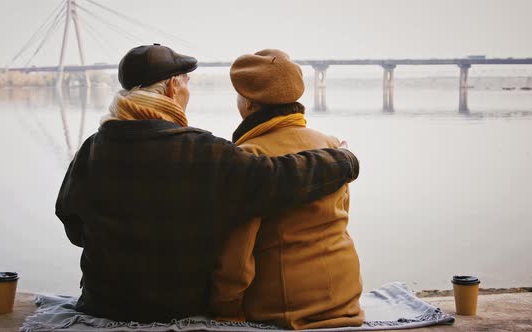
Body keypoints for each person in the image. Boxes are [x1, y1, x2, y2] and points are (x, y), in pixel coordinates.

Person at [56, 44, 359, 323]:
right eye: (187, 82)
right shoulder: (200, 151)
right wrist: (343, 160)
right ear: (174, 87)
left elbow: (70, 220)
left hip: (102, 303)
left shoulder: (92, 148)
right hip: (178, 309)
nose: (188, 90)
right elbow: (277, 176)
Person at [210, 49, 364, 329]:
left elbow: (236, 257)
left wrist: (226, 311)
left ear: (249, 105)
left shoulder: (249, 155)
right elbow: (342, 215)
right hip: (346, 297)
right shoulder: (331, 145)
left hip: (286, 307)